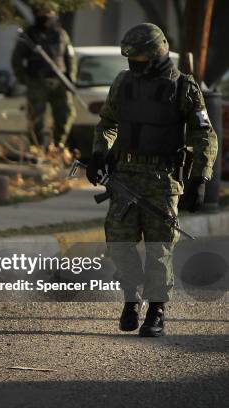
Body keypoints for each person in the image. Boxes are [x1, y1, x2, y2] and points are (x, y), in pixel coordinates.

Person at [87, 23, 217, 337]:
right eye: (130, 57)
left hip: (162, 180)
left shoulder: (182, 86)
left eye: (141, 56)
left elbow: (204, 134)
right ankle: (131, 300)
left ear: (157, 52)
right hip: (124, 178)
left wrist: (200, 177)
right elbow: (108, 122)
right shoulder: (123, 82)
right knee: (119, 244)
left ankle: (157, 310)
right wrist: (99, 153)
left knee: (159, 250)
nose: (134, 63)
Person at [11, 3, 76, 148]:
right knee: (36, 118)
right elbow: (16, 59)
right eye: (40, 13)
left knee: (65, 115)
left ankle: (58, 146)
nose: (44, 17)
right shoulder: (28, 35)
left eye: (47, 13)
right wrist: (25, 79)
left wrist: (70, 79)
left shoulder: (61, 34)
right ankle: (37, 150)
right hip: (37, 82)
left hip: (59, 81)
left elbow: (69, 57)